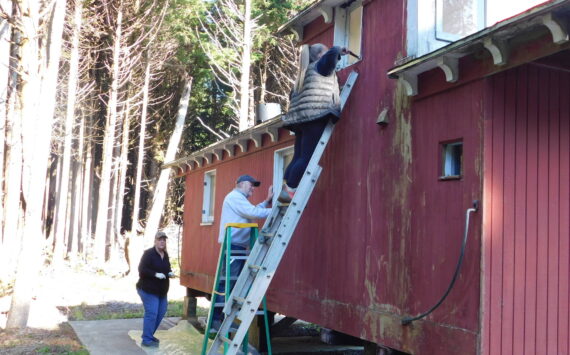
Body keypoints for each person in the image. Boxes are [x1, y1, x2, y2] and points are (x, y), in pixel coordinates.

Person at [278, 44, 349, 203]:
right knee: (307, 158)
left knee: (298, 156)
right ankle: (290, 189)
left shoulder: (303, 74)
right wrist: (338, 50)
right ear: (319, 56)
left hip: (299, 120)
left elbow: (294, 97)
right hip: (315, 116)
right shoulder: (320, 67)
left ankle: (286, 187)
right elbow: (330, 58)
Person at [211, 174, 273, 330]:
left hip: (238, 246)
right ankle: (217, 319)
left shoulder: (239, 199)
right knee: (228, 283)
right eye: (251, 185)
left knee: (232, 283)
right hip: (233, 246)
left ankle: (221, 318)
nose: (253, 188)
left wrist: (266, 201)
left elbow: (252, 211)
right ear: (242, 184)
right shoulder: (234, 197)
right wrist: (276, 209)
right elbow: (253, 213)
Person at [136, 231, 175, 347]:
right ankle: (146, 340)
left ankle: (149, 334)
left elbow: (167, 268)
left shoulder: (165, 255)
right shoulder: (148, 254)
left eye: (164, 239)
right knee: (152, 313)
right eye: (160, 239)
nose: (162, 241)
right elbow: (142, 270)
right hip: (148, 290)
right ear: (155, 241)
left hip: (161, 291)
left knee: (161, 312)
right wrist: (155, 274)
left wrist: (169, 272)